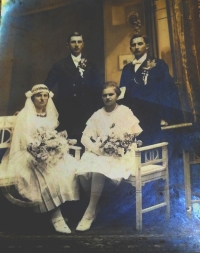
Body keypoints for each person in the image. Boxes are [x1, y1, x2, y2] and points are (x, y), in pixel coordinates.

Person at [1, 84, 79, 234]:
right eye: (38, 96)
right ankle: (56, 217)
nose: (42, 99)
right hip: (28, 152)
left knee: (70, 168)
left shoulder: (50, 114)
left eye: (45, 95)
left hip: (47, 151)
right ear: (32, 98)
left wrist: (55, 145)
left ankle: (56, 210)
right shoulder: (25, 115)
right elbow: (25, 139)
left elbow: (51, 134)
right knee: (48, 175)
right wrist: (40, 149)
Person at [75, 81, 142, 232]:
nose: (107, 97)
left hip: (121, 153)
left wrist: (118, 145)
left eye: (111, 94)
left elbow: (133, 134)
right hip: (101, 151)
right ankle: (96, 204)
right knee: (81, 172)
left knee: (98, 169)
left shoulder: (124, 111)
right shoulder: (97, 114)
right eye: (104, 95)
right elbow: (85, 138)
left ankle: (89, 212)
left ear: (117, 95)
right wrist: (96, 150)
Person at [120, 34, 184, 146]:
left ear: (147, 46)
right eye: (133, 45)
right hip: (133, 114)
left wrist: (164, 115)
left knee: (152, 145)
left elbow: (167, 90)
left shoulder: (158, 64)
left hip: (152, 113)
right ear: (130, 48)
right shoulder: (127, 68)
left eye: (140, 43)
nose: (137, 47)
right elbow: (123, 91)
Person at [44, 32, 101, 144]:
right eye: (73, 42)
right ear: (67, 45)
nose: (76, 45)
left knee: (86, 143)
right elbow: (46, 87)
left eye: (79, 42)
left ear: (83, 44)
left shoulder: (91, 65)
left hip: (87, 111)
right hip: (67, 112)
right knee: (68, 145)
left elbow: (98, 89)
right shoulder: (60, 65)